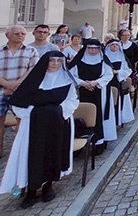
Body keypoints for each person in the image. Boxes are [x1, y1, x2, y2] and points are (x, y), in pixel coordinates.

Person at [0, 51, 79, 207]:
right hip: (33, 124)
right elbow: (18, 103)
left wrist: (59, 111)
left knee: (53, 152)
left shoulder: (67, 80)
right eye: (51, 61)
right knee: (32, 154)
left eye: (58, 60)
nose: (55, 63)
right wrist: (35, 113)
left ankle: (48, 186)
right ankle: (31, 190)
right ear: (45, 62)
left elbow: (73, 100)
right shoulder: (33, 80)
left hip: (58, 123)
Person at [68, 39, 116, 150]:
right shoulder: (79, 60)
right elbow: (71, 74)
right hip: (81, 91)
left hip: (99, 91)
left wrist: (95, 82)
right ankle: (78, 142)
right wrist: (82, 83)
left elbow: (108, 75)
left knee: (99, 115)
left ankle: (98, 142)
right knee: (80, 116)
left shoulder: (103, 60)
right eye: (90, 48)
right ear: (86, 48)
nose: (93, 50)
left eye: (95, 48)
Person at [0, 26, 40, 157]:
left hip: (22, 91)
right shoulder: (0, 50)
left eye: (23, 34)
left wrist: (16, 85)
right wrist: (6, 84)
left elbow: (33, 70)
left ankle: (19, 153)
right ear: (8, 35)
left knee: (21, 122)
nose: (21, 36)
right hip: (2, 90)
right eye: (17, 33)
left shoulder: (31, 51)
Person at [104, 39, 135, 126]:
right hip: (107, 82)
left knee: (119, 101)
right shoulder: (104, 57)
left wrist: (117, 72)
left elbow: (128, 70)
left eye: (116, 45)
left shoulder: (122, 57)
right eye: (112, 45)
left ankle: (119, 120)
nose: (114, 46)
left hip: (118, 81)